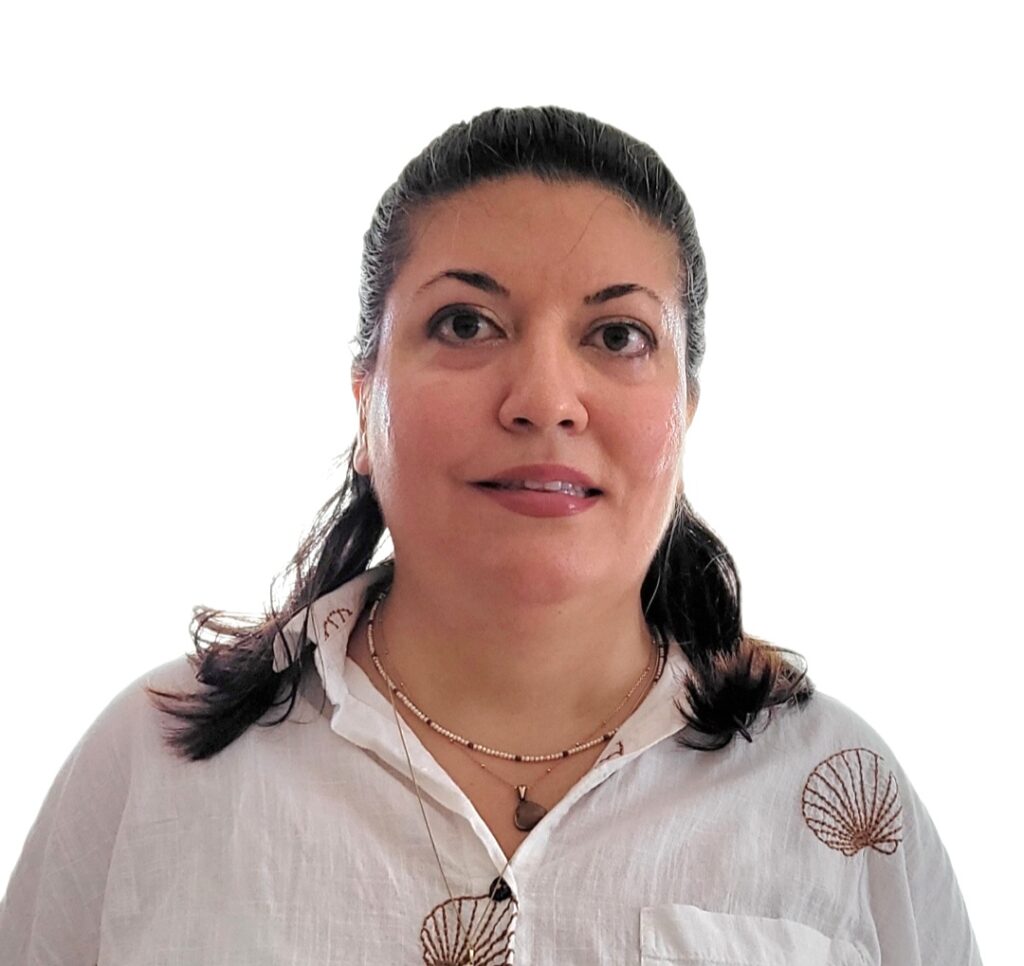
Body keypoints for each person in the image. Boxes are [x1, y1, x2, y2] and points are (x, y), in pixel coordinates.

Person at [0, 106, 982, 965]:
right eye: (466, 324)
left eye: (617, 336)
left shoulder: (835, 789)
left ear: (683, 414)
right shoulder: (152, 764)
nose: (545, 400)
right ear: (364, 400)